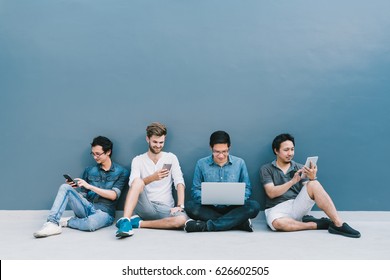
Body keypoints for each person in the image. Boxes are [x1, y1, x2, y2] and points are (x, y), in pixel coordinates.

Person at [260, 133, 361, 238]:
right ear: (276, 151)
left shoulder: (300, 167)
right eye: (286, 150)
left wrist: (312, 178)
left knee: (314, 183)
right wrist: (292, 182)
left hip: (297, 205)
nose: (290, 153)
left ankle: (338, 224)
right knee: (278, 224)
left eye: (292, 149)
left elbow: (310, 190)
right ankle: (314, 224)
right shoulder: (266, 169)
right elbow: (271, 193)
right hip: (276, 209)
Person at [33, 136, 129, 238]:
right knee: (65, 187)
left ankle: (68, 221)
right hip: (87, 207)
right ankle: (52, 224)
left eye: (98, 154)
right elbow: (83, 195)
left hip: (105, 213)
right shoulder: (89, 170)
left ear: (108, 152)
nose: (95, 157)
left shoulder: (122, 172)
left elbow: (113, 195)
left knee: (90, 224)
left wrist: (90, 186)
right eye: (93, 153)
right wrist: (74, 192)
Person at [115, 122, 187, 238]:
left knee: (181, 220)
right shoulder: (138, 160)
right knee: (137, 181)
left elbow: (179, 182)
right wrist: (152, 178)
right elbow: (133, 185)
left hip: (166, 208)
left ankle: (138, 223)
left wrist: (180, 205)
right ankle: (125, 221)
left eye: (161, 142)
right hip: (145, 206)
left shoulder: (171, 158)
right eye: (155, 142)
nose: (158, 145)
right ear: (148, 139)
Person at [184, 130, 260, 232]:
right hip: (210, 207)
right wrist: (208, 198)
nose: (221, 156)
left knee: (254, 206)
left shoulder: (240, 163)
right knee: (190, 206)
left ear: (229, 148)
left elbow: (247, 188)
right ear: (211, 148)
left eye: (224, 151)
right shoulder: (201, 163)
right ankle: (239, 222)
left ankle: (206, 226)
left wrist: (237, 199)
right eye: (217, 152)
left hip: (234, 207)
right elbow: (195, 189)